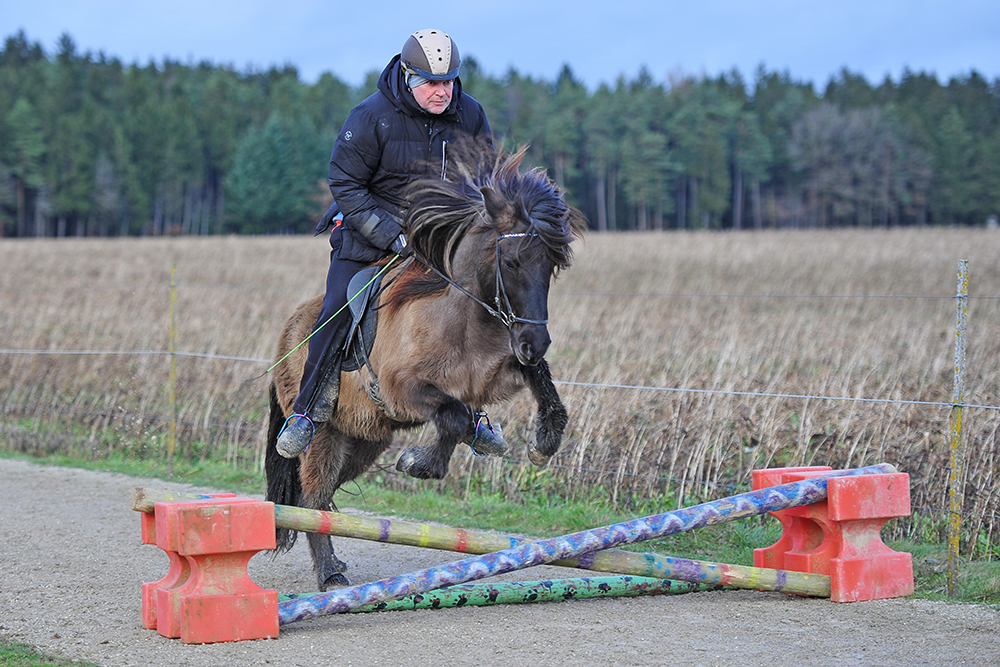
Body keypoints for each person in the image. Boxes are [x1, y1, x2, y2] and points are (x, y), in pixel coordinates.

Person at [277, 29, 501, 457]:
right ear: (407, 75)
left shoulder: (470, 114)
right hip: (368, 236)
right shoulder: (370, 115)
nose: (442, 92)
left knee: (475, 309)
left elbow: (485, 177)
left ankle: (475, 419)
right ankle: (305, 412)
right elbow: (345, 182)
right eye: (431, 84)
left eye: (449, 81)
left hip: (438, 242)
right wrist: (390, 235)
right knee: (337, 307)